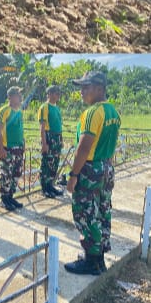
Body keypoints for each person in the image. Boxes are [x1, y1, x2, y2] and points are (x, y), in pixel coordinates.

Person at [64, 71, 120, 276]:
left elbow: (84, 147)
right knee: (102, 212)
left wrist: (73, 175)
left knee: (86, 213)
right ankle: (99, 260)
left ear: (99, 88)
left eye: (86, 87)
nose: (82, 91)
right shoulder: (113, 112)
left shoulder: (93, 113)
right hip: (105, 167)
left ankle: (91, 261)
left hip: (89, 169)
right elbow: (110, 145)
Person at [0, 85, 25, 211]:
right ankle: (4, 199)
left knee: (16, 173)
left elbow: (20, 130)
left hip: (18, 148)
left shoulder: (19, 112)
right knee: (6, 174)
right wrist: (1, 148)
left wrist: (23, 143)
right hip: (8, 148)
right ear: (11, 97)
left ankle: (10, 196)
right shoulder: (4, 111)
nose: (20, 97)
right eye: (18, 95)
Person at [38, 85, 65, 198]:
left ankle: (50, 185)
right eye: (55, 93)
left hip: (57, 137)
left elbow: (59, 125)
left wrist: (61, 139)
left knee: (54, 163)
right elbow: (42, 127)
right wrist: (44, 143)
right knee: (47, 163)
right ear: (49, 94)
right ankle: (45, 188)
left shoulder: (57, 108)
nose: (58, 95)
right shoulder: (45, 107)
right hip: (49, 137)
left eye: (58, 93)